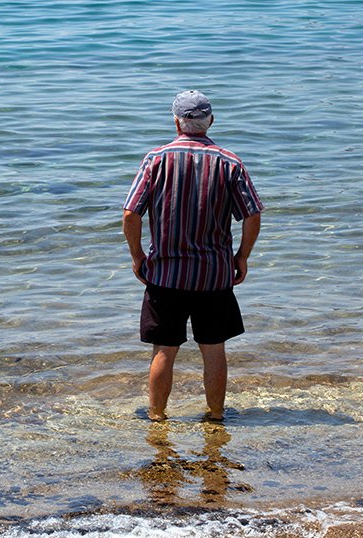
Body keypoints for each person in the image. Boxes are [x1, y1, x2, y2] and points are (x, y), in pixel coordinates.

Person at [122, 90, 263, 422]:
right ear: (210, 121)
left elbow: (131, 214)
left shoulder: (155, 160)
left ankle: (157, 418)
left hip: (165, 276)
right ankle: (215, 416)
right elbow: (253, 215)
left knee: (164, 352)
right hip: (214, 276)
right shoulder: (230, 163)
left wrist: (137, 256)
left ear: (176, 122)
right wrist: (241, 257)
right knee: (213, 350)